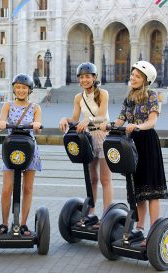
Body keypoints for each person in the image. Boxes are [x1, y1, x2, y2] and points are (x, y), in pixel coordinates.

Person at [100, 60, 168, 245]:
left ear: (146, 80)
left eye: (137, 76)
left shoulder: (152, 96)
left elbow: (152, 121)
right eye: (132, 75)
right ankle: (139, 229)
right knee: (138, 190)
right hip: (132, 144)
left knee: (152, 189)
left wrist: (138, 126)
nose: (133, 78)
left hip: (147, 142)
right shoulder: (129, 97)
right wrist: (109, 126)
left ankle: (153, 232)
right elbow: (121, 119)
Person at [59, 62, 112, 228]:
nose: (84, 80)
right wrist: (65, 119)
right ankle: (91, 213)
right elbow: (75, 118)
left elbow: (103, 116)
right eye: (81, 77)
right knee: (92, 179)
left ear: (94, 78)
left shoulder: (103, 93)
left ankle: (107, 216)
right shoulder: (78, 97)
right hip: (88, 138)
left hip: (103, 136)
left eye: (87, 76)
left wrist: (88, 120)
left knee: (105, 179)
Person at [0, 73, 42, 236]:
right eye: (18, 88)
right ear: (14, 89)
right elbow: (1, 121)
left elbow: (38, 124)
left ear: (29, 90)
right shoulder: (7, 105)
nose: (21, 90)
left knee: (27, 188)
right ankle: (4, 223)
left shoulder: (35, 107)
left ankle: (23, 224)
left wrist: (36, 125)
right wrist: (2, 123)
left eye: (24, 88)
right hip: (11, 149)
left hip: (29, 148)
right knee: (7, 188)